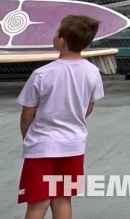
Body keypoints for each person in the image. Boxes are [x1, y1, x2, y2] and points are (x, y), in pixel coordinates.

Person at [17, 15, 104, 219]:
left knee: (38, 203)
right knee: (63, 199)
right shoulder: (93, 72)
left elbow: (27, 115)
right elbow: (88, 107)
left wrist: (28, 137)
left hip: (42, 146)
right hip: (73, 146)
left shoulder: (41, 74)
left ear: (62, 40)